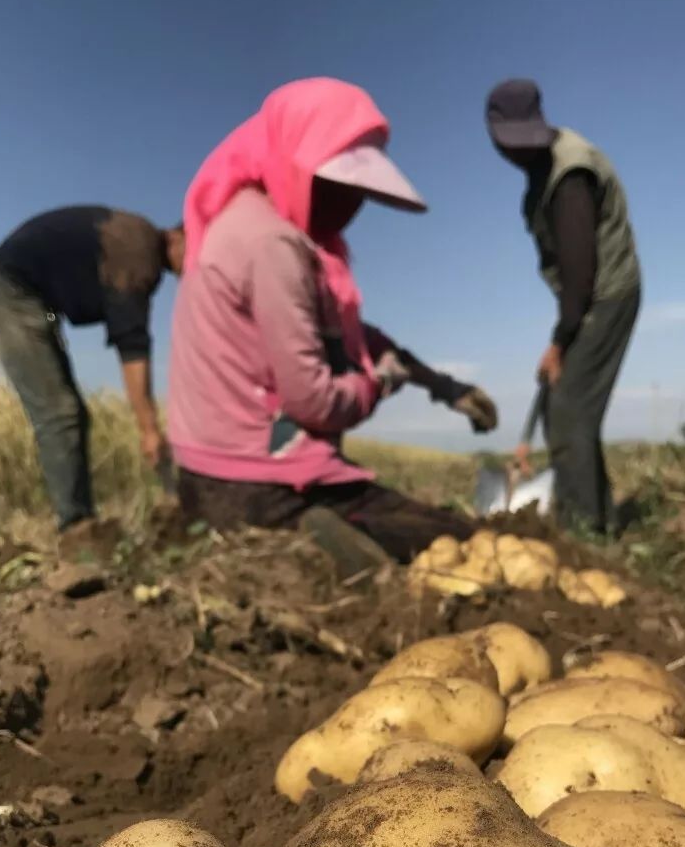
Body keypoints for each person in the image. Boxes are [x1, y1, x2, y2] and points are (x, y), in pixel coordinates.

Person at [167, 77, 498, 567]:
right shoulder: (273, 245)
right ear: (298, 167)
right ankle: (317, 544)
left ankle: (325, 541)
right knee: (459, 541)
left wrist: (444, 386)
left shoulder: (247, 222)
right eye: (338, 186)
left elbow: (354, 336)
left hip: (205, 474)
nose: (349, 207)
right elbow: (314, 401)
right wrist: (375, 385)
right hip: (258, 485)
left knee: (433, 532)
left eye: (357, 191)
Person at [0, 207, 185, 545]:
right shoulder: (138, 249)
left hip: (25, 295)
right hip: (8, 293)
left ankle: (82, 524)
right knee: (59, 412)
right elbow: (131, 343)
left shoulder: (134, 238)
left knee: (70, 414)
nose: (194, 270)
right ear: (177, 237)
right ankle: (77, 533)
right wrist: (149, 429)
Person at [486, 79, 641, 534]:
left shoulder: (570, 173)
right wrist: (561, 336)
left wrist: (560, 341)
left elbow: (580, 276)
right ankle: (600, 519)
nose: (517, 152)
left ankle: (583, 532)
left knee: (571, 406)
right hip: (585, 298)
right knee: (564, 405)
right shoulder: (541, 172)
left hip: (606, 295)